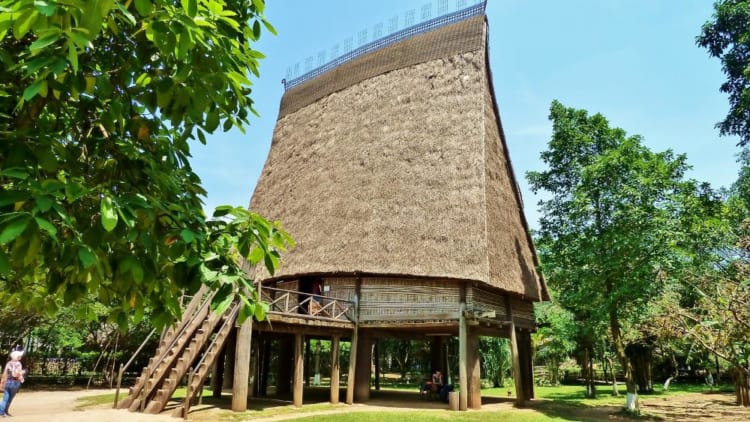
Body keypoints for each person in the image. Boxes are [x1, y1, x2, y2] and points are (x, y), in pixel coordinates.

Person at [0, 350, 25, 417]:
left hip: (8, 382)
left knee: (5, 398)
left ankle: (2, 412)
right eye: (19, 356)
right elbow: (16, 374)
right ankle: (5, 411)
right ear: (17, 356)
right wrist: (22, 372)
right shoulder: (18, 363)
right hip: (15, 382)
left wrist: (2, 382)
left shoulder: (9, 363)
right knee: (10, 398)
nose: (20, 357)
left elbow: (5, 373)